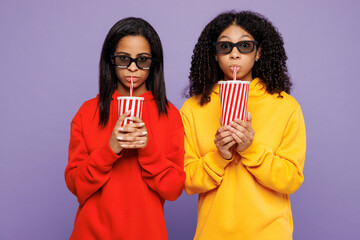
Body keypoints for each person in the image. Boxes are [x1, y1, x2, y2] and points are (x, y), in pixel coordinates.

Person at [180, 11, 306, 240]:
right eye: (225, 47)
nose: (235, 54)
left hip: (270, 233)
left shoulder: (286, 106)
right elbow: (187, 180)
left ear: (258, 52)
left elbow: (291, 179)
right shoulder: (193, 108)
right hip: (213, 233)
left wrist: (250, 149)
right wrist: (220, 156)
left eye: (245, 46)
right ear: (215, 54)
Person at [65, 17, 186, 240]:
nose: (132, 67)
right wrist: (109, 150)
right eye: (124, 59)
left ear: (154, 63)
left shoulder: (170, 116)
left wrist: (147, 150)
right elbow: (75, 184)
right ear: (111, 61)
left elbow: (173, 189)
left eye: (142, 60)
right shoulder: (87, 111)